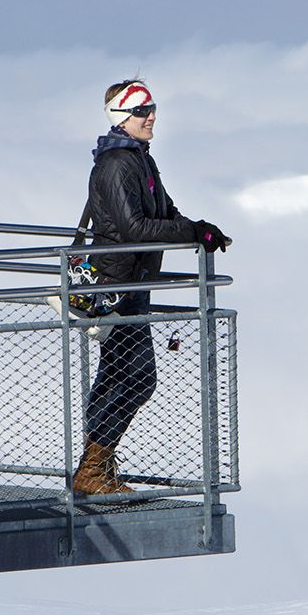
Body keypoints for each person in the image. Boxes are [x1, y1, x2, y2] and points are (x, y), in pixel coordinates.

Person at [71, 79, 230, 496]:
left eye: (153, 107)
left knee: (117, 376)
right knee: (138, 378)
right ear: (122, 117)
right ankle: (92, 469)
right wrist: (190, 230)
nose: (152, 115)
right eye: (143, 110)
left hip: (132, 283)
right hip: (117, 288)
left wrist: (199, 230)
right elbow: (134, 228)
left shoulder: (140, 160)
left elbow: (164, 211)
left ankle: (94, 468)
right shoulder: (117, 165)